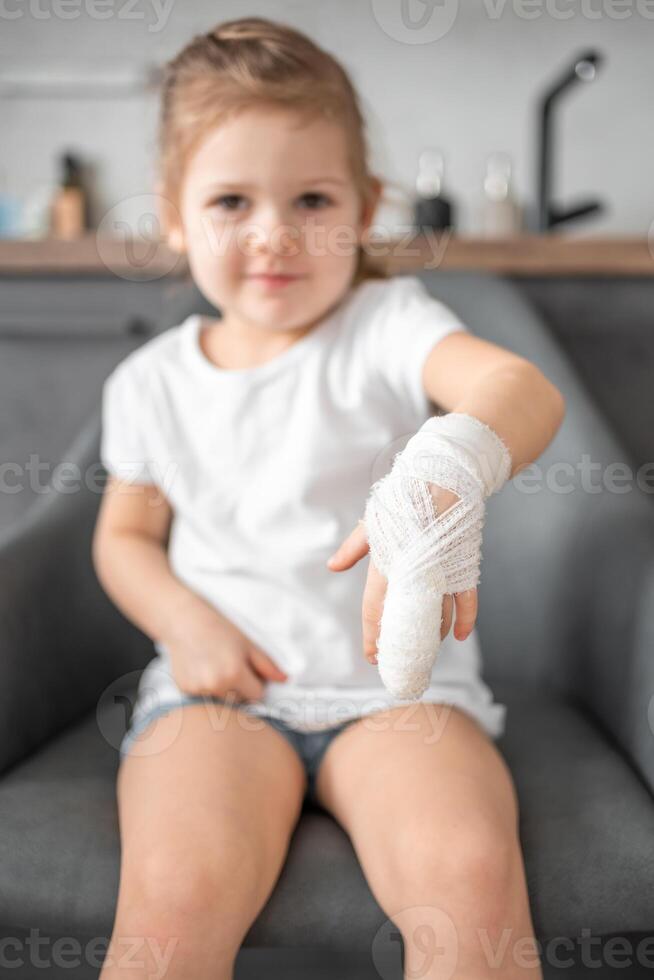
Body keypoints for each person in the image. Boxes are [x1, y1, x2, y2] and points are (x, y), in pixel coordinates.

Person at [93, 16, 564, 980]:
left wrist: (446, 469)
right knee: (171, 900)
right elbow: (125, 539)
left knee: (470, 875)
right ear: (175, 216)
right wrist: (184, 622)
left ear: (366, 206)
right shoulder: (148, 382)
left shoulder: (388, 326)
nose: (274, 234)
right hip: (217, 698)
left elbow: (522, 390)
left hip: (398, 697)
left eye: (312, 198)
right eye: (231, 200)